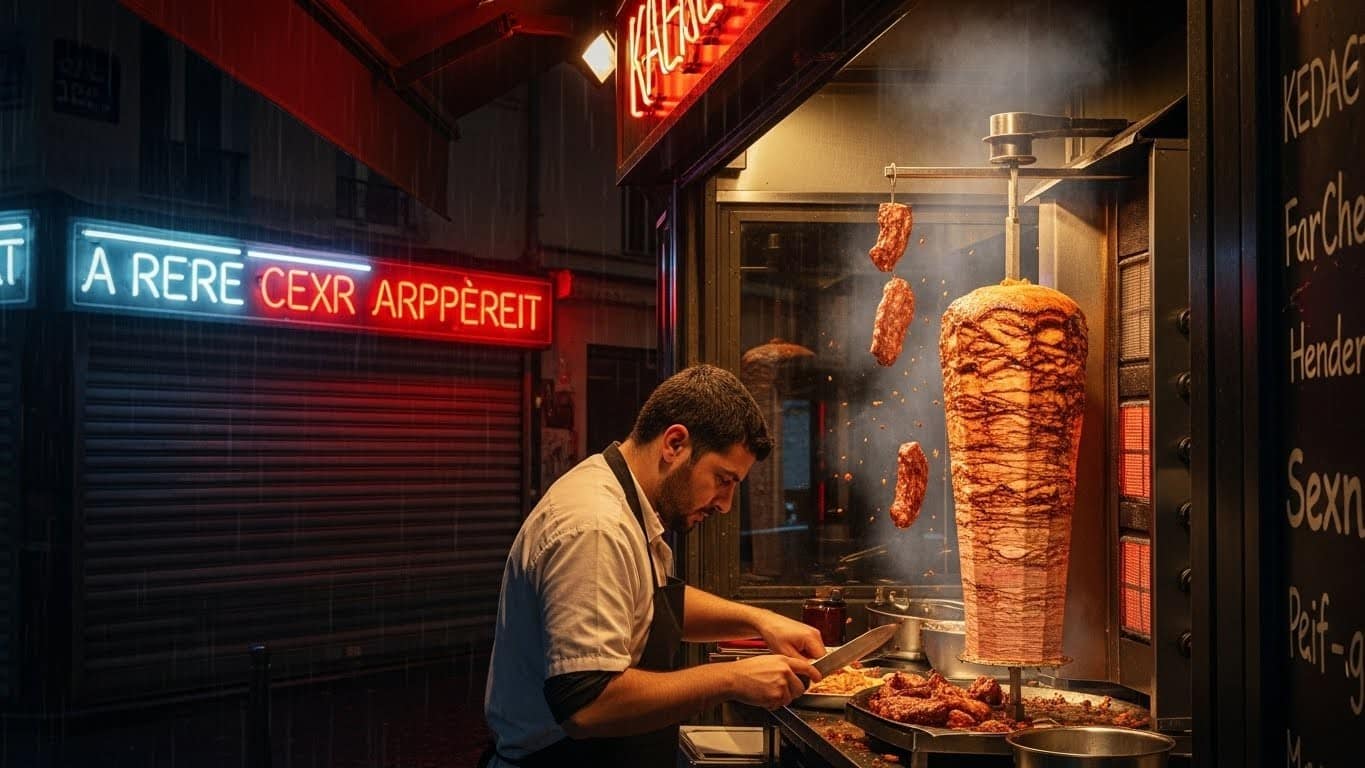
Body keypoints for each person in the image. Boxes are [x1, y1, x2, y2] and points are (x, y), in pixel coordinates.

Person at [483, 364, 825, 767]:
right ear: (674, 444)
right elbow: (588, 704)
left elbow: (653, 602)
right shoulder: (595, 526)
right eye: (723, 479)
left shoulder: (624, 502)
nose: (726, 504)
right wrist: (734, 679)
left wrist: (760, 621)